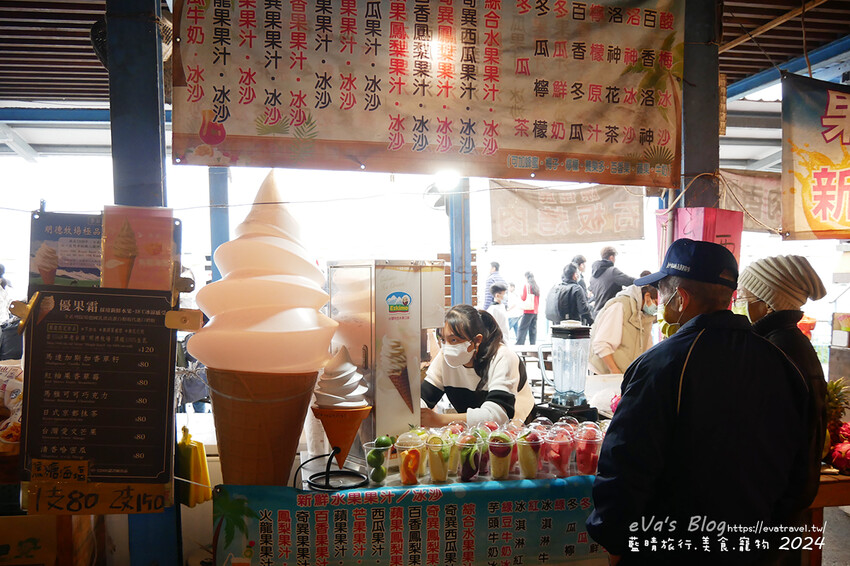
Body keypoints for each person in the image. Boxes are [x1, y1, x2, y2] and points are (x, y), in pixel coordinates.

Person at [587, 239, 810, 565]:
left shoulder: (662, 364)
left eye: (663, 292)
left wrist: (614, 540)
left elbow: (627, 464)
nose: (660, 301)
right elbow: (800, 469)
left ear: (681, 298)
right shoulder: (783, 364)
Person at [737, 255, 827, 531]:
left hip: (771, 498)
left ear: (766, 304)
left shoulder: (775, 350)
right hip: (788, 492)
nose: (739, 303)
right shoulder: (790, 341)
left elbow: (765, 435)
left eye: (745, 296)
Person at [420, 305, 535, 427]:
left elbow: (496, 416)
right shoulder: (444, 358)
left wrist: (438, 420)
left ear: (477, 340)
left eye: (453, 340)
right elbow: (425, 396)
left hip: (516, 429)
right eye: (442, 340)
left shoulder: (502, 357)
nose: (446, 347)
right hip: (476, 431)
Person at [588, 280, 657, 375]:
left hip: (625, 376)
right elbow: (601, 344)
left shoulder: (647, 316)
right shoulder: (620, 306)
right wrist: (615, 372)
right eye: (656, 303)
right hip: (604, 374)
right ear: (647, 296)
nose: (656, 308)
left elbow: (647, 348)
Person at [588, 246, 634, 315]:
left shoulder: (593, 277)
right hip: (610, 313)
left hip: (597, 313)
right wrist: (645, 281)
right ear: (611, 257)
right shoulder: (612, 271)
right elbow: (630, 281)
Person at [515, 271, 540, 345]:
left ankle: (519, 344)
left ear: (526, 277)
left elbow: (524, 298)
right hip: (535, 311)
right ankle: (533, 344)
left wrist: (520, 295)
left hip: (528, 311)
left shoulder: (527, 286)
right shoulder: (536, 286)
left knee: (522, 328)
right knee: (533, 330)